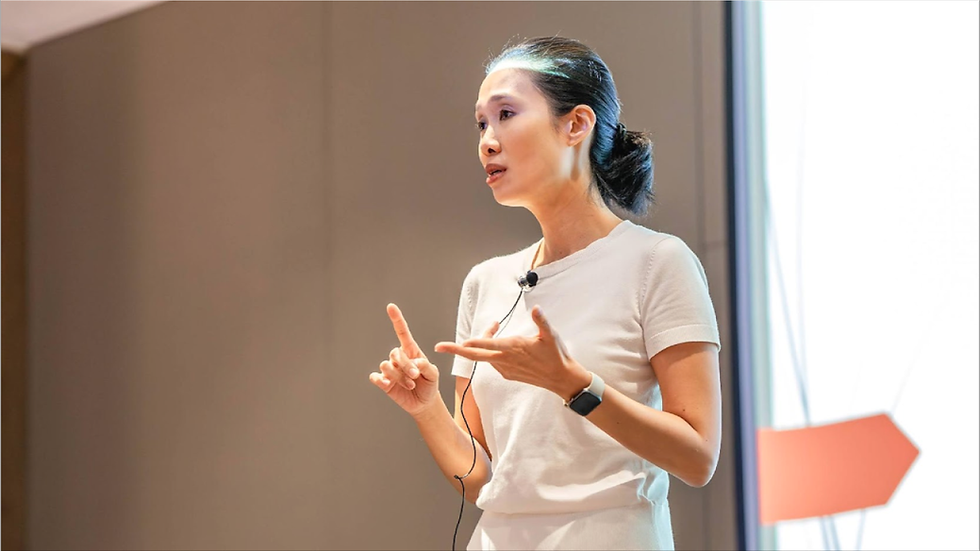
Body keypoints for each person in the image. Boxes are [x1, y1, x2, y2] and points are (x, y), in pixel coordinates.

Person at [368, 36, 722, 551]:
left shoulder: (658, 263)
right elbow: (479, 478)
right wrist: (426, 409)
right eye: (481, 123)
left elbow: (697, 458)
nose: (487, 140)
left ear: (576, 124)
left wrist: (571, 383)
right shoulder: (485, 282)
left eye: (506, 113)